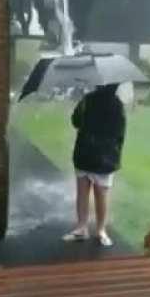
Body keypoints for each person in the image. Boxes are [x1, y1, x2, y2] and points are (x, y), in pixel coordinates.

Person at [63, 84, 126, 247]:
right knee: (101, 195)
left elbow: (75, 121)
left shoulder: (87, 100)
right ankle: (100, 230)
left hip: (85, 152)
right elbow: (119, 133)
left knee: (82, 192)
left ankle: (82, 227)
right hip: (105, 157)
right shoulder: (117, 104)